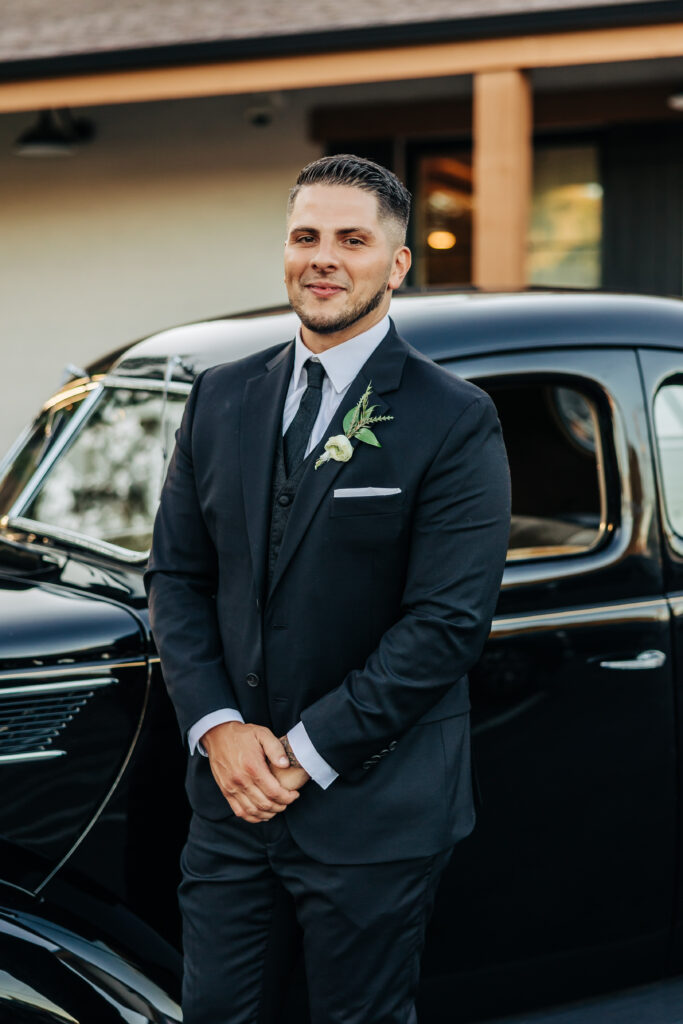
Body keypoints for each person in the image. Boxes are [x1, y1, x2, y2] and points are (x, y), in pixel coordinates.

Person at [144, 154, 511, 1024]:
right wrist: (219, 730)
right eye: (305, 236)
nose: (322, 257)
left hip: (374, 809)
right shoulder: (222, 396)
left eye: (352, 239)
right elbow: (177, 575)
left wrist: (302, 755)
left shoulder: (453, 417)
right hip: (230, 804)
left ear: (396, 264)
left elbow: (446, 622)